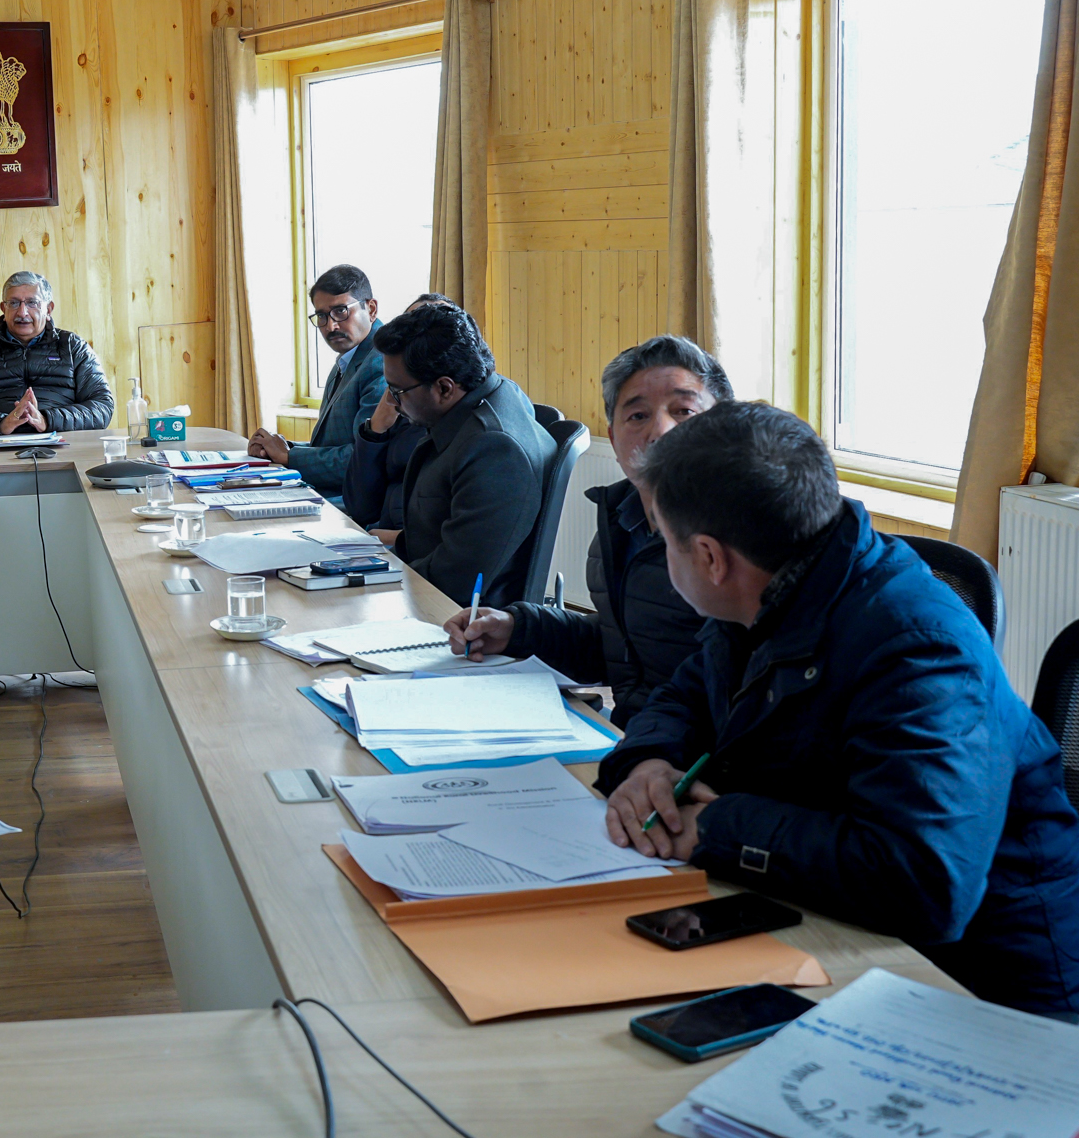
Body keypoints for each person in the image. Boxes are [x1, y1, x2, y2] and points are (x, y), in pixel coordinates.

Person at [597, 403, 1079, 1019]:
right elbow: (689, 692)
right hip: (827, 928)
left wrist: (721, 828)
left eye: (666, 541)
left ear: (713, 559)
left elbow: (926, 885)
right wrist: (649, 763)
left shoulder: (918, 646)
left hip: (985, 989)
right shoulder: (775, 583)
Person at [441, 335, 734, 729]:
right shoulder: (623, 519)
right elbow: (624, 648)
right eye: (637, 416)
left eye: (683, 410)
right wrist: (517, 628)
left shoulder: (742, 539)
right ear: (613, 438)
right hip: (639, 745)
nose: (659, 431)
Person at [349, 300, 550, 609]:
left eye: (397, 390)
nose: (391, 401)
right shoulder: (473, 407)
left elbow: (453, 582)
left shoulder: (494, 450)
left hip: (456, 625)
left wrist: (361, 586)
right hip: (426, 592)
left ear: (444, 388)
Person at [247, 264, 387, 503]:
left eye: (341, 311)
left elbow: (363, 458)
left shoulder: (382, 362)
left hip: (358, 502)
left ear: (371, 309)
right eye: (322, 316)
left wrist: (290, 457)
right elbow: (330, 445)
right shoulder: (349, 357)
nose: (331, 326)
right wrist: (280, 448)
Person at [0, 270, 114, 435]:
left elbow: (102, 406)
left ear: (48, 309)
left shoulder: (73, 347)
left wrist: (47, 420)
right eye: (13, 303)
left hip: (61, 446)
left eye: (32, 303)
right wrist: (0, 423)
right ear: (4, 310)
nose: (22, 312)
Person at [341, 291, 450, 531]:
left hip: (405, 550)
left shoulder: (464, 417)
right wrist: (375, 430)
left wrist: (390, 540)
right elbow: (360, 507)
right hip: (382, 537)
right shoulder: (402, 401)